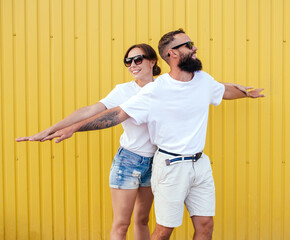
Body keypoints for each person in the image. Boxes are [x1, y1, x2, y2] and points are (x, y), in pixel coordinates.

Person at [21, 29, 265, 240]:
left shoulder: (201, 79)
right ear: (173, 53)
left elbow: (222, 90)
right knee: (154, 228)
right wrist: (67, 128)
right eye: (189, 45)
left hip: (193, 163)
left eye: (138, 59)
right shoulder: (152, 91)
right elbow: (114, 114)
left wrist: (243, 91)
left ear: (152, 62)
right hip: (158, 162)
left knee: (192, 225)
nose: (195, 48)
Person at [16, 44, 162, 240]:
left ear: (152, 61)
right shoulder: (124, 90)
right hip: (129, 161)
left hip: (155, 161)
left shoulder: (164, 88)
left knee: (142, 220)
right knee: (121, 224)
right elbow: (90, 111)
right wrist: (50, 130)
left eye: (138, 59)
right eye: (128, 61)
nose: (132, 65)